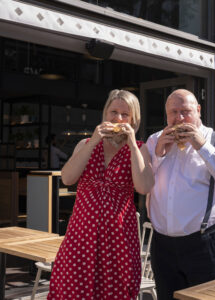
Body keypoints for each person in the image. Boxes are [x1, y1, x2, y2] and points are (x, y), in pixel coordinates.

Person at [47, 90, 154, 300]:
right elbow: (68, 178)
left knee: (115, 293)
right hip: (81, 236)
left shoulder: (140, 149)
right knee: (72, 290)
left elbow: (144, 186)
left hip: (119, 238)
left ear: (134, 120)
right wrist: (93, 142)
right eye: (114, 112)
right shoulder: (85, 144)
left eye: (125, 115)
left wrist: (132, 144)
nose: (118, 118)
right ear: (105, 114)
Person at [146, 89, 215, 300]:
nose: (179, 118)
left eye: (186, 111)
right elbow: (143, 184)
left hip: (206, 244)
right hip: (163, 246)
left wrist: (202, 146)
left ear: (198, 110)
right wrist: (157, 155)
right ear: (166, 114)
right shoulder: (155, 140)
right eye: (174, 112)